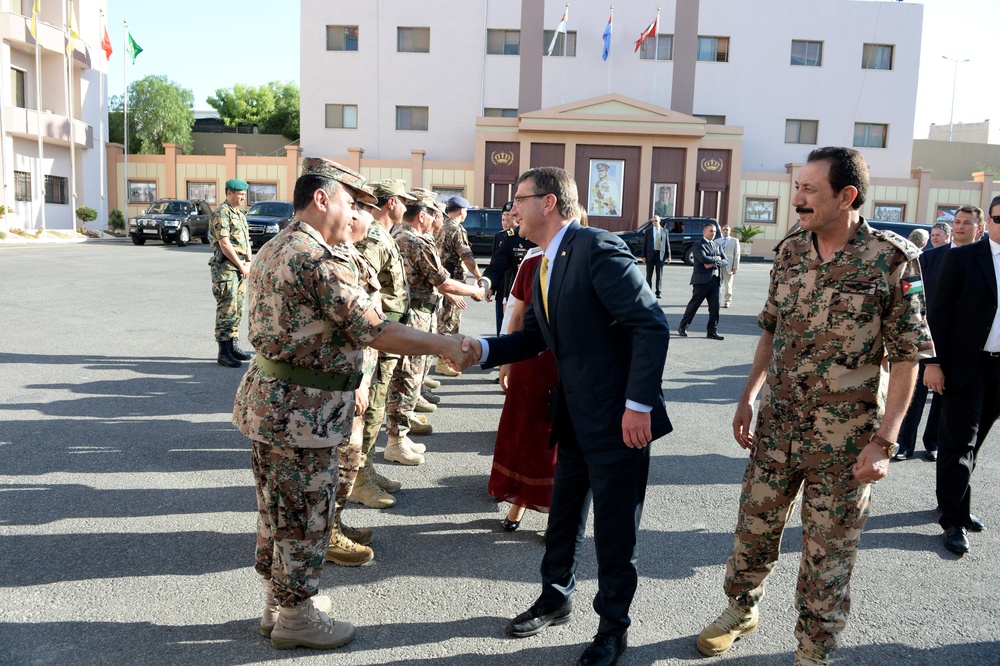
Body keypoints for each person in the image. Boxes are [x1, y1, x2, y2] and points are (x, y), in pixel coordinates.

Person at [696, 147, 932, 666]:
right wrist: (748, 395)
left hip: (845, 442)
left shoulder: (890, 259)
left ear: (846, 195)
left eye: (809, 190)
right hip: (777, 427)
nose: (797, 199)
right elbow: (770, 331)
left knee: (828, 556)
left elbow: (909, 356)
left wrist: (884, 442)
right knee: (753, 529)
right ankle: (741, 608)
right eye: (797, 186)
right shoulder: (790, 252)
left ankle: (813, 650)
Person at [232, 158, 474, 651]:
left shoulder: (279, 244)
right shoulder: (317, 259)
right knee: (305, 514)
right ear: (321, 200)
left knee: (275, 510)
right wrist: (446, 345)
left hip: (272, 403)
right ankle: (296, 617)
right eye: (348, 201)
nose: (353, 212)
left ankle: (278, 603)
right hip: (305, 411)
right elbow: (376, 329)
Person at [465, 166, 671, 666]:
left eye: (520, 198)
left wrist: (637, 405)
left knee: (617, 532)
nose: (511, 209)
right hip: (574, 416)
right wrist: (482, 348)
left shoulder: (596, 249)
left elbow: (650, 325)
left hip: (620, 421)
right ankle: (555, 597)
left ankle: (613, 630)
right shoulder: (543, 261)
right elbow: (534, 337)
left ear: (550, 202)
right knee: (563, 517)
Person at [385, 190, 485, 465]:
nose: (437, 219)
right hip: (413, 315)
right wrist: (473, 290)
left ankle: (400, 435)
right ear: (423, 215)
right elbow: (443, 281)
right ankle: (395, 440)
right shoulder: (413, 240)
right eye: (434, 213)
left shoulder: (400, 234)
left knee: (410, 376)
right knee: (407, 377)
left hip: (415, 314)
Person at [924, 196, 1000, 555]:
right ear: (991, 222)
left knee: (976, 441)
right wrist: (933, 363)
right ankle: (953, 520)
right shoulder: (963, 258)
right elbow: (936, 315)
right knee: (958, 442)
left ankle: (957, 505)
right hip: (966, 365)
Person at [895, 206, 985, 462]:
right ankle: (904, 443)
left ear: (979, 228)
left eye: (967, 223)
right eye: (957, 221)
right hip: (923, 336)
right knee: (914, 394)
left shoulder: (982, 261)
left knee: (941, 398)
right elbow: (910, 291)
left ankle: (932, 442)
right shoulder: (930, 258)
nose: (959, 226)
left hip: (957, 343)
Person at [349, 178, 416, 509]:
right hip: (376, 339)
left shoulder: (382, 234)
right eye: (403, 200)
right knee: (371, 410)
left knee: (376, 410)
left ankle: (368, 470)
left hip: (387, 336)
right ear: (391, 203)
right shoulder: (373, 237)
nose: (407, 206)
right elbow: (362, 294)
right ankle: (358, 480)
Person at [489, 247, 557, 532]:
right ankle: (520, 500)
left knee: (561, 439)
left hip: (572, 365)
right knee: (527, 432)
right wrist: (505, 360)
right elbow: (515, 315)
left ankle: (560, 515)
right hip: (532, 360)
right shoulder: (531, 261)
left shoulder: (588, 258)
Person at [434, 195, 483, 376]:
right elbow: (467, 257)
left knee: (440, 321)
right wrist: (479, 277)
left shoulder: (438, 225)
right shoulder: (456, 229)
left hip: (438, 281)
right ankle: (443, 362)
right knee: (449, 322)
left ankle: (442, 359)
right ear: (462, 211)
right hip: (452, 281)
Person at [209, 178, 254, 368]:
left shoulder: (240, 214)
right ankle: (224, 352)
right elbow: (225, 243)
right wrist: (241, 265)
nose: (242, 197)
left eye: (244, 194)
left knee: (237, 308)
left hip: (240, 267)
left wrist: (249, 262)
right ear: (229, 193)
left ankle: (233, 345)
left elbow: (246, 241)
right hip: (226, 268)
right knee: (227, 308)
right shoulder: (222, 213)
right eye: (239, 194)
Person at [480, 201, 537, 335]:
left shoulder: (549, 235)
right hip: (517, 295)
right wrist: (485, 284)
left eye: (520, 204)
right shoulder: (511, 238)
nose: (512, 213)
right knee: (508, 334)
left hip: (541, 298)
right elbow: (496, 266)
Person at [677, 223, 726, 340]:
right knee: (694, 305)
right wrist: (717, 259)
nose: (713, 233)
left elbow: (726, 260)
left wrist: (713, 262)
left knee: (715, 308)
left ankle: (712, 331)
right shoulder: (698, 244)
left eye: (714, 232)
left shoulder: (717, 245)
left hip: (715, 281)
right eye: (710, 231)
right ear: (704, 231)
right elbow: (703, 259)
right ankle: (683, 327)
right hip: (702, 281)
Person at [640, 215, 669, 298]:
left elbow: (667, 244)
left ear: (659, 221)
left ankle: (658, 292)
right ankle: (648, 291)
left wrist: (669, 256)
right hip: (650, 255)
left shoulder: (665, 231)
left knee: (659, 275)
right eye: (652, 221)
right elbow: (645, 245)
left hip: (660, 255)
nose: (654, 223)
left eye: (655, 221)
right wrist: (643, 256)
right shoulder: (648, 231)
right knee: (649, 274)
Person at [715, 224, 741, 308]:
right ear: (721, 231)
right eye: (724, 230)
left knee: (728, 285)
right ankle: (716, 301)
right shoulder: (717, 241)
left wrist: (735, 267)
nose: (725, 231)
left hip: (729, 266)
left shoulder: (734, 241)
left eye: (727, 230)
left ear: (730, 232)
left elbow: (737, 255)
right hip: (718, 265)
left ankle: (727, 301)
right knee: (717, 284)